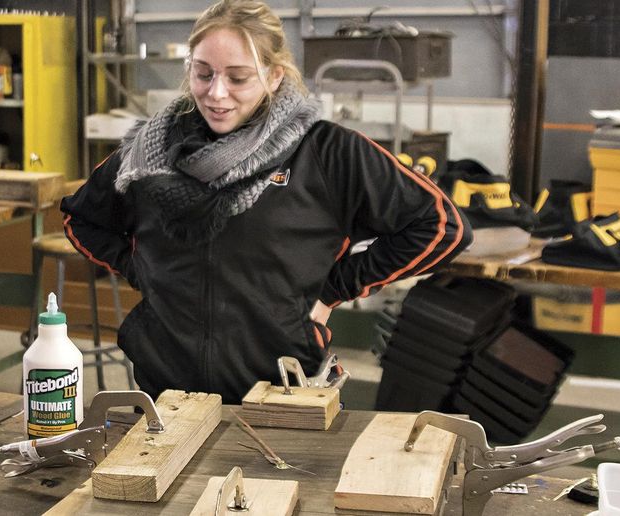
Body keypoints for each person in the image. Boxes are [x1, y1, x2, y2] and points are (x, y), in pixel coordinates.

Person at [62, 0, 472, 404]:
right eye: (203, 74)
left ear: (275, 76)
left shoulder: (327, 151)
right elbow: (83, 218)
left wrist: (335, 288)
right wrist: (145, 271)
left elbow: (440, 225)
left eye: (238, 78)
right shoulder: (152, 150)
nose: (216, 93)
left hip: (283, 393)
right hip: (167, 392)